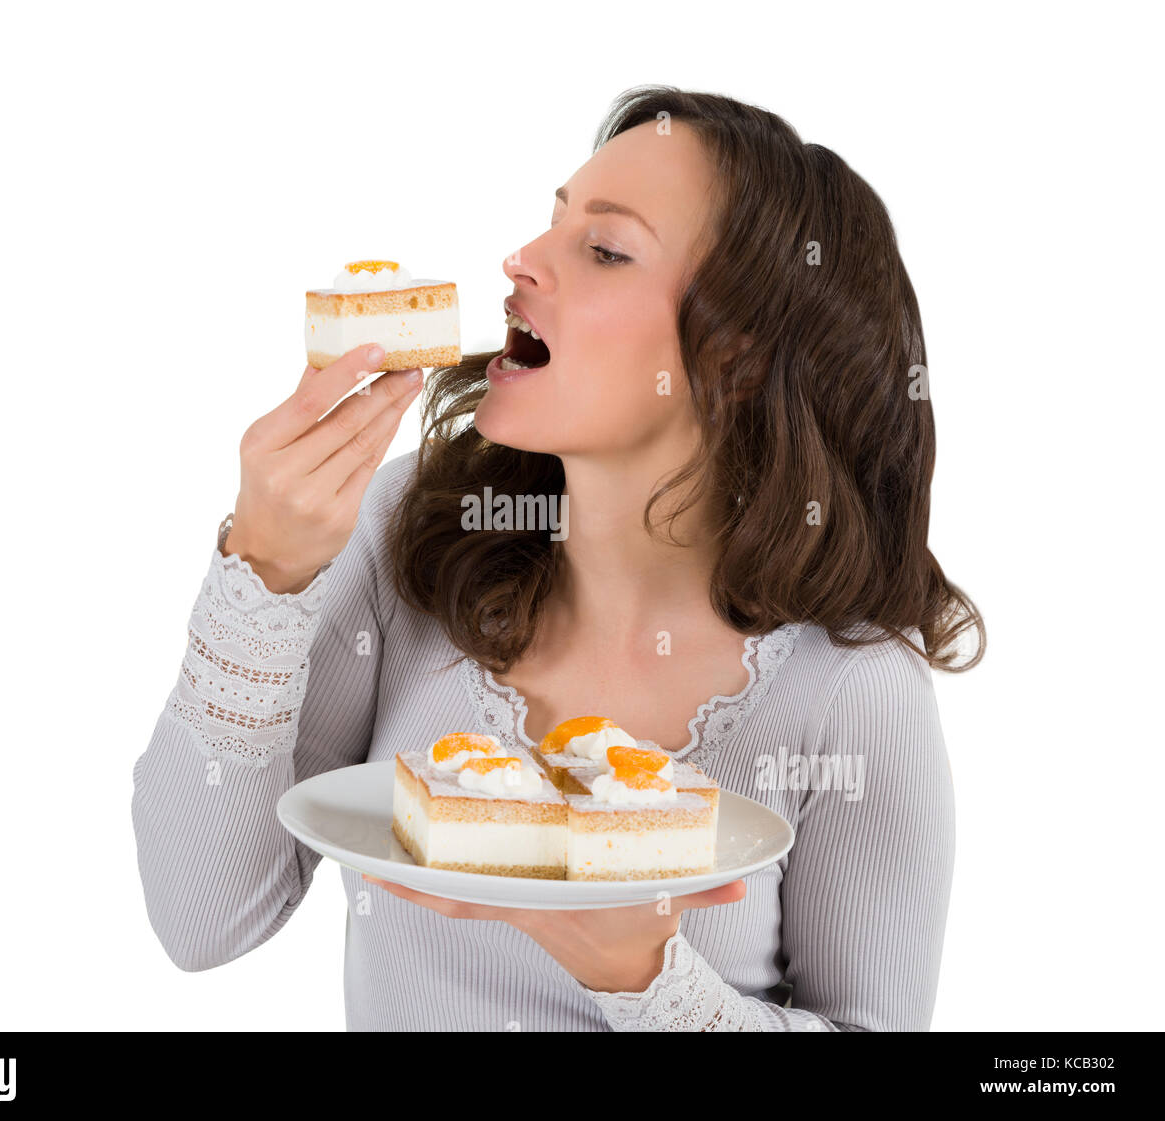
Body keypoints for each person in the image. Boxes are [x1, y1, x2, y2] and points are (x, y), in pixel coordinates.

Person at [131, 84, 984, 1031]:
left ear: (739, 356)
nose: (521, 261)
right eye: (552, 223)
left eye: (606, 249)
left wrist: (646, 978)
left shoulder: (855, 692)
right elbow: (201, 917)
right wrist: (265, 577)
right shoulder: (404, 536)